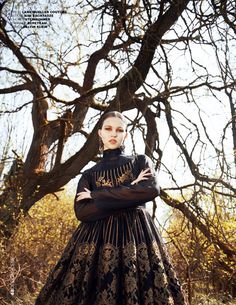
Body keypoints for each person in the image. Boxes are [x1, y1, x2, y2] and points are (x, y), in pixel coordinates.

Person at [35, 111, 188, 305]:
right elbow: (82, 211)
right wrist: (131, 192)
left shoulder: (140, 161)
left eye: (119, 130)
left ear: (126, 134)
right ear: (100, 133)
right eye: (108, 129)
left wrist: (97, 195)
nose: (113, 134)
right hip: (94, 243)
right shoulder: (89, 174)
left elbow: (150, 190)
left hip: (137, 237)